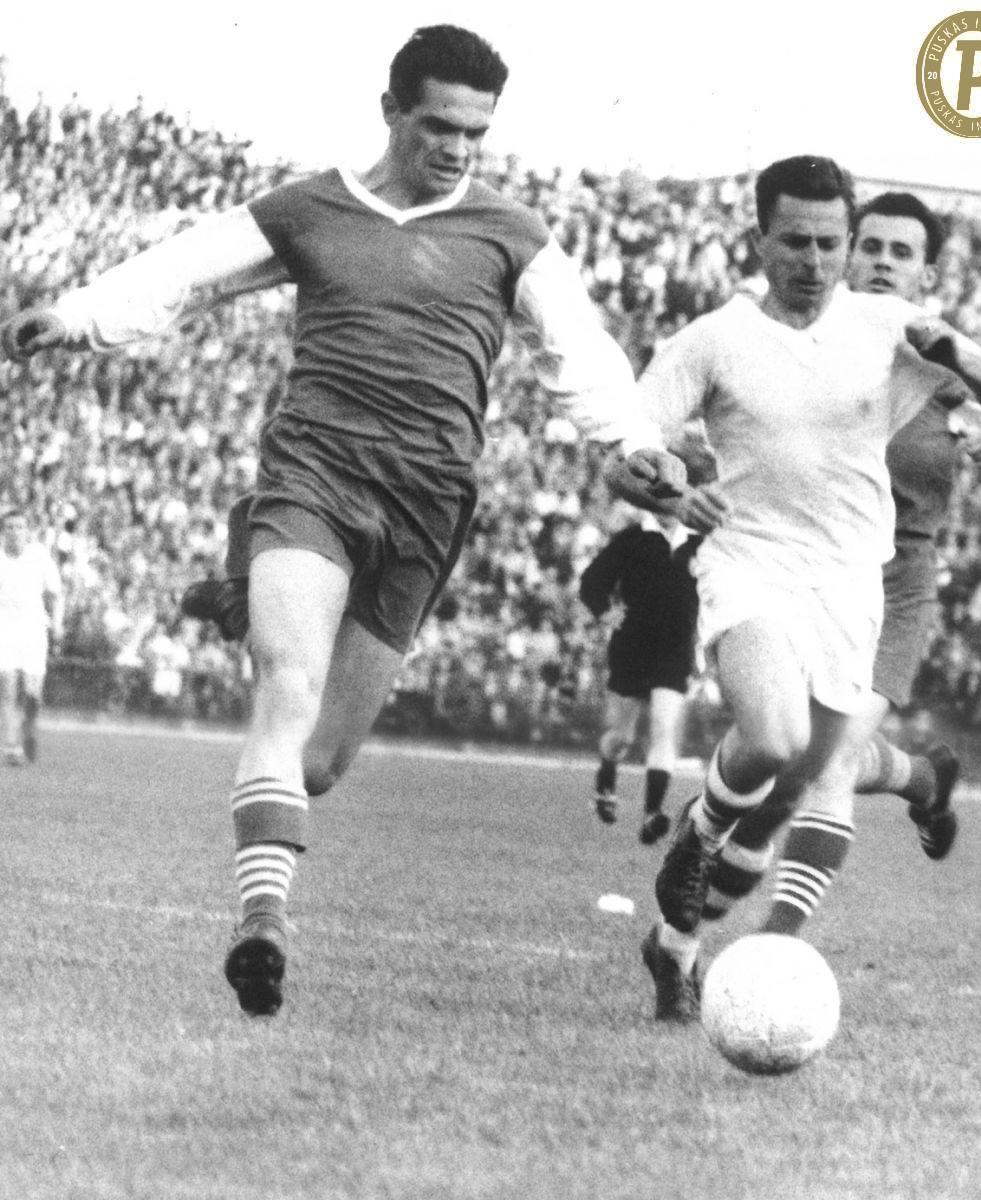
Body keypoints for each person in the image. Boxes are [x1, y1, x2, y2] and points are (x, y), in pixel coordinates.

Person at [0, 25, 685, 1018]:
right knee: (286, 685)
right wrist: (74, 318)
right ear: (391, 110)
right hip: (314, 474)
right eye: (438, 126)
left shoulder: (510, 232)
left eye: (475, 133)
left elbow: (580, 354)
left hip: (426, 506)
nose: (456, 148)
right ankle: (263, 922)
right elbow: (188, 268)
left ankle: (242, 598)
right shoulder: (311, 209)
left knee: (318, 762)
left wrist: (630, 442)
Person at [629, 156, 981, 1023]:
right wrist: (666, 482)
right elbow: (632, 446)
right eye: (800, 243)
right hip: (754, 561)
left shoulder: (901, 338)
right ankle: (721, 898)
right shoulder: (722, 338)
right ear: (765, 241)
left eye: (835, 244)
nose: (822, 261)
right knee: (780, 746)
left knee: (806, 771)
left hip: (869, 578)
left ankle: (691, 937)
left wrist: (960, 363)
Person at [704, 190, 981, 930]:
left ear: (927, 274)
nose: (883, 263)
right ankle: (921, 778)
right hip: (797, 573)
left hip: (893, 586)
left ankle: (776, 947)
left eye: (902, 253)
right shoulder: (782, 342)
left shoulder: (953, 372)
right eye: (872, 246)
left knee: (823, 763)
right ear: (848, 252)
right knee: (797, 749)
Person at [579, 510, 701, 843]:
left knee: (663, 727)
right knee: (622, 737)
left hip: (675, 650)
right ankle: (606, 781)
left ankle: (652, 813)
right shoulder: (632, 538)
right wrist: (607, 613)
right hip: (632, 646)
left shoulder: (698, 543)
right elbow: (592, 582)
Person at [0, 509, 64, 766]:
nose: (15, 532)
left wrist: (57, 624)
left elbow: (56, 594)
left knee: (32, 692)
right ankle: (10, 745)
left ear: (27, 531)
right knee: (7, 686)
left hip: (33, 629)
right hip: (4, 628)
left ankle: (27, 736)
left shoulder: (39, 556)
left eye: (20, 527)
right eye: (10, 527)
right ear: (3, 531)